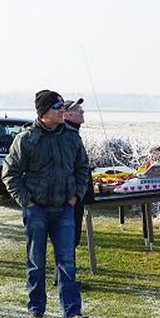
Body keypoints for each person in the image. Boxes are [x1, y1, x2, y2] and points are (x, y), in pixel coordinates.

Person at [1, 90, 91, 318]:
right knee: (36, 262)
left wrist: (75, 196)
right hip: (37, 210)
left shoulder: (71, 137)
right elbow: (10, 173)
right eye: (57, 107)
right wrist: (27, 201)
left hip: (64, 209)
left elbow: (83, 168)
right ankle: (35, 311)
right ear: (43, 112)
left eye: (63, 106)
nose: (62, 111)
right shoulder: (27, 139)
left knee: (67, 262)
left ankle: (72, 314)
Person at [62, 98, 95, 249]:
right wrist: (74, 197)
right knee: (68, 240)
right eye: (77, 109)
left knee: (72, 239)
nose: (82, 111)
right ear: (66, 115)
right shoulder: (66, 135)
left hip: (76, 196)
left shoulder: (74, 133)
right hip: (69, 197)